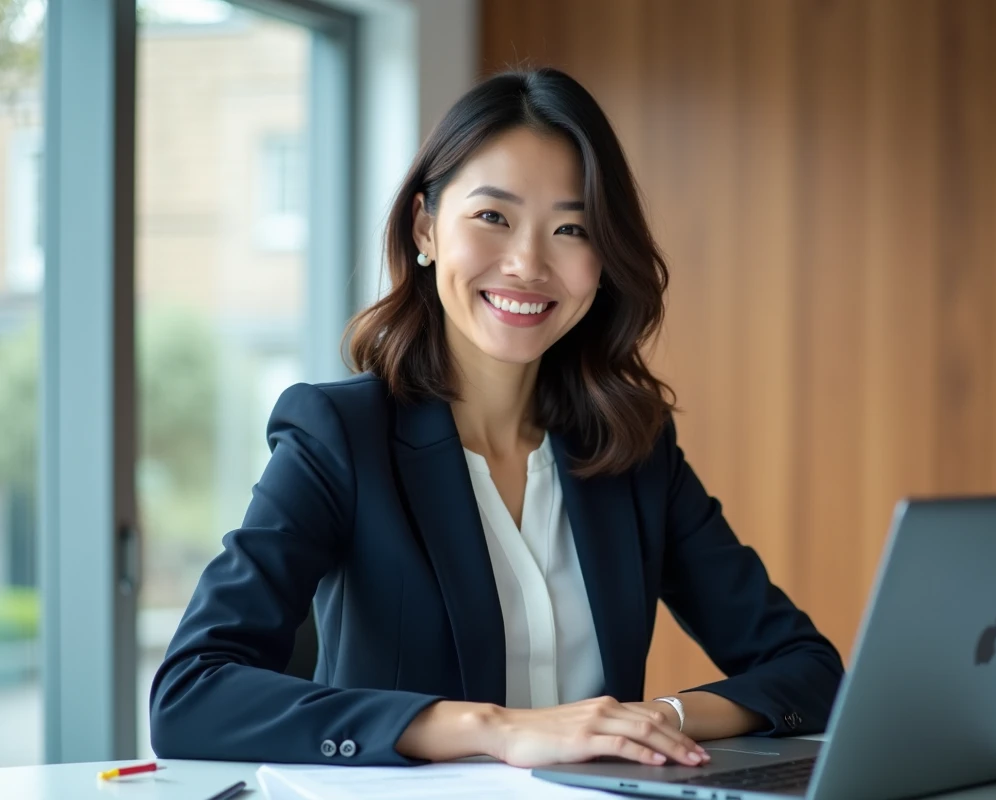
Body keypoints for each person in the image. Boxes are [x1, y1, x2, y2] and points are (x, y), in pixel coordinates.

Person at [149, 67, 843, 769]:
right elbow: (191, 694)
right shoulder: (339, 435)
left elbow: (808, 670)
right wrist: (495, 728)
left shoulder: (630, 448)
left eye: (571, 228)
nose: (527, 263)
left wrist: (656, 718)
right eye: (493, 217)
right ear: (425, 227)